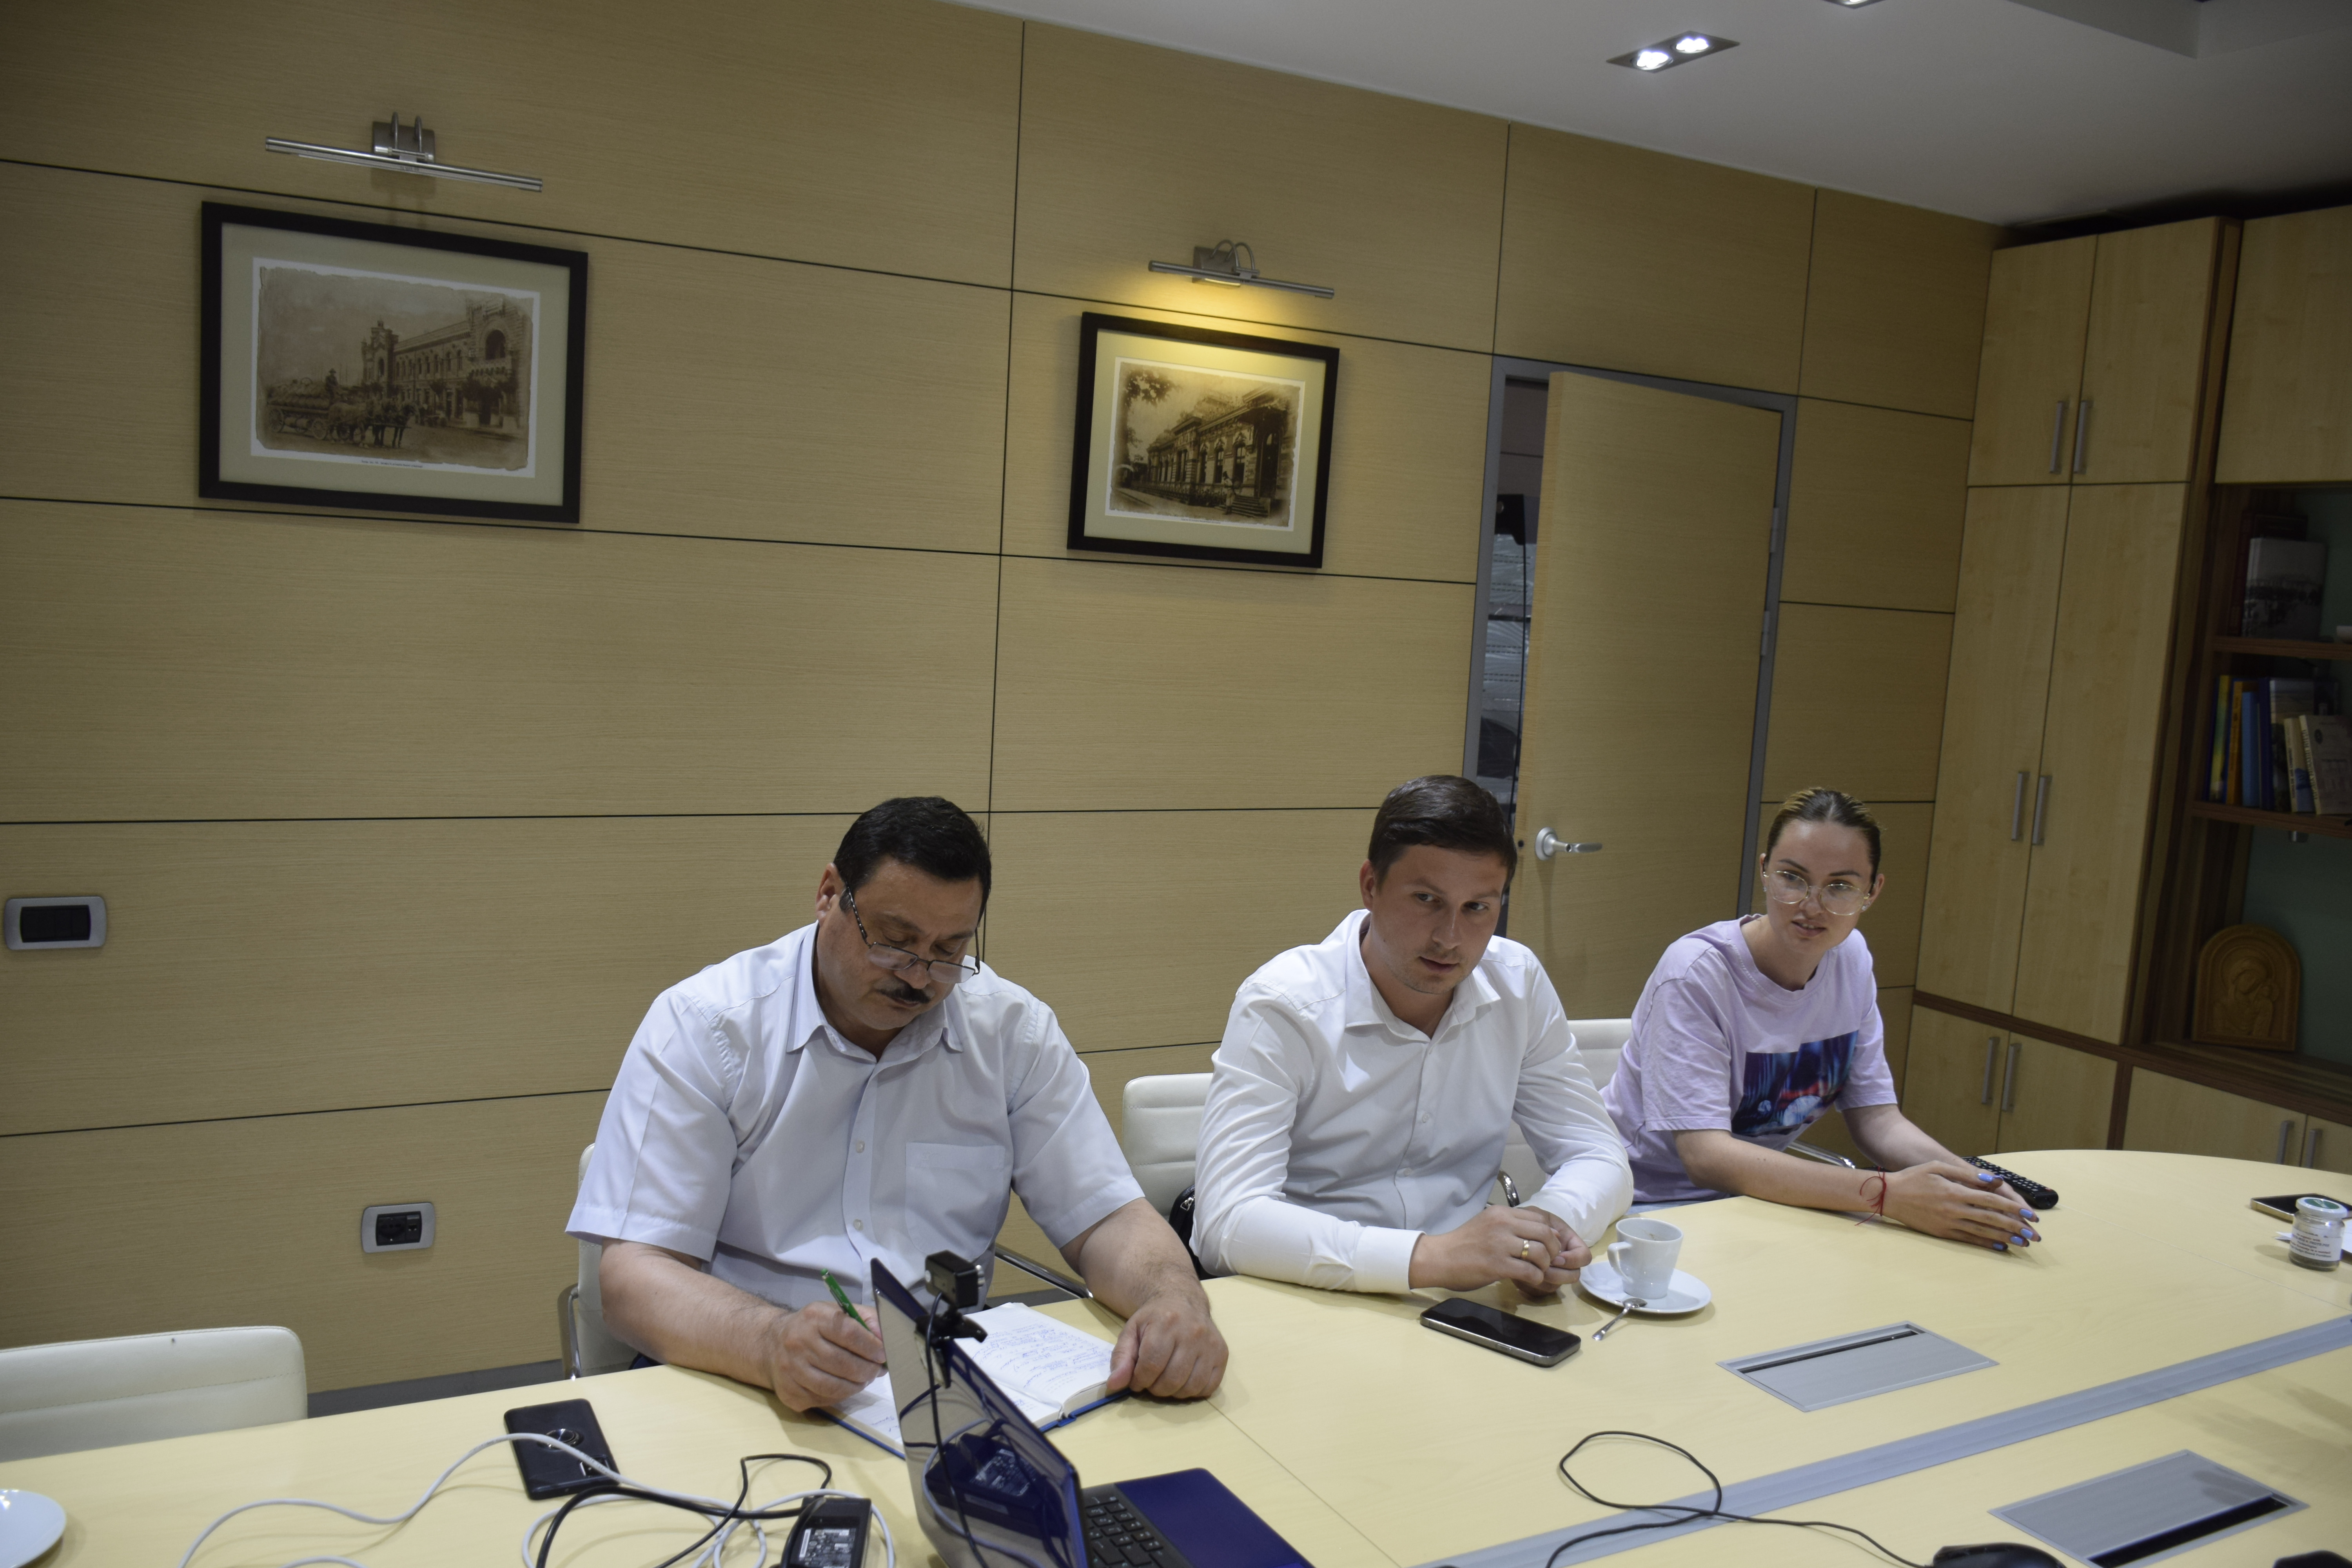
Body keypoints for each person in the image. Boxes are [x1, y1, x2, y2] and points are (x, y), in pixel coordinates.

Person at [568, 797, 1225, 1411]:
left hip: (939, 1382)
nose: (918, 976)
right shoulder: (708, 1027)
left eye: (948, 950)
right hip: (735, 1372)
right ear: (830, 894)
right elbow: (634, 1276)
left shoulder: (1010, 1033)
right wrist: (770, 1342)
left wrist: (1174, 1300)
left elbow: (1107, 1218)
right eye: (894, 940)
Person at [1192, 775, 1632, 1295]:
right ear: (1371, 886)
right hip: (1312, 1292)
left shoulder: (1518, 983)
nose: (1450, 938)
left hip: (1466, 1294)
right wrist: (1428, 1258)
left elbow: (1599, 1156)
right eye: (1427, 899)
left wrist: (1540, 1234)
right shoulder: (1285, 1005)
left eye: (1478, 908)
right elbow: (1228, 1222)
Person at [1602, 788, 2042, 1251]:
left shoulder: (1850, 959)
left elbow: (1877, 1119)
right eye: (1793, 878)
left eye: (1840, 887)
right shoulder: (1697, 973)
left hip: (1755, 1205)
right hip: (1640, 1207)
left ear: (1872, 891)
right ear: (1765, 871)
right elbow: (1707, 1157)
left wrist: (1974, 1185)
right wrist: (1887, 1194)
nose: (1812, 906)